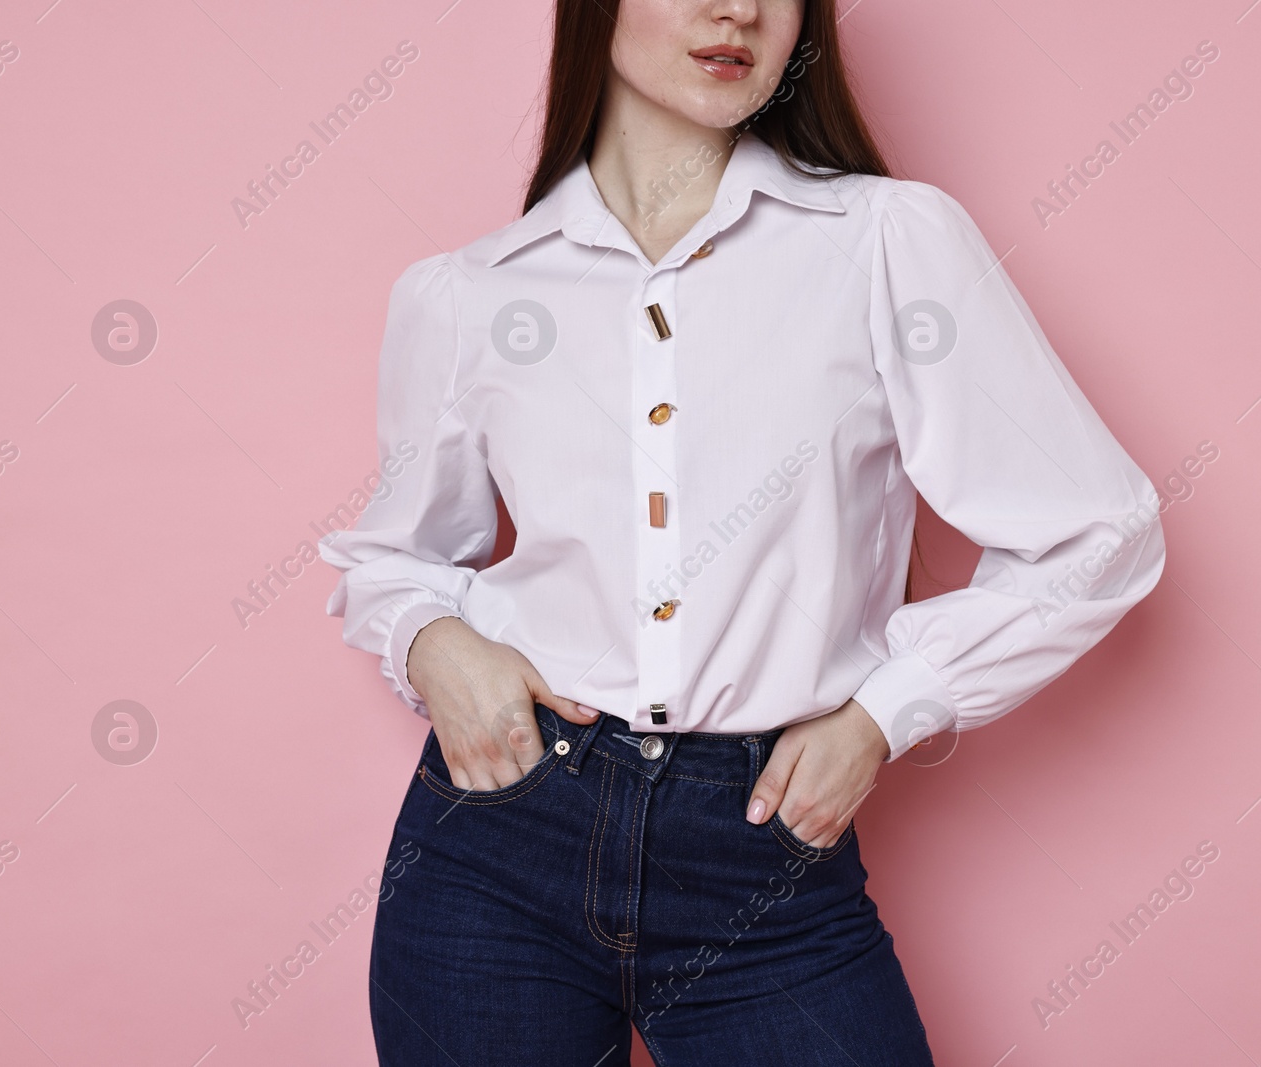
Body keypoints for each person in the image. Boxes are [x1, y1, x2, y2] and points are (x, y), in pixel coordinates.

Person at [320, 0, 1166, 1063]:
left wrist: (883, 712)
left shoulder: (885, 243)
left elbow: (1100, 530)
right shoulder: (467, 294)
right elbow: (394, 557)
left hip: (765, 856)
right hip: (498, 835)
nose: (742, 10)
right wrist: (433, 644)